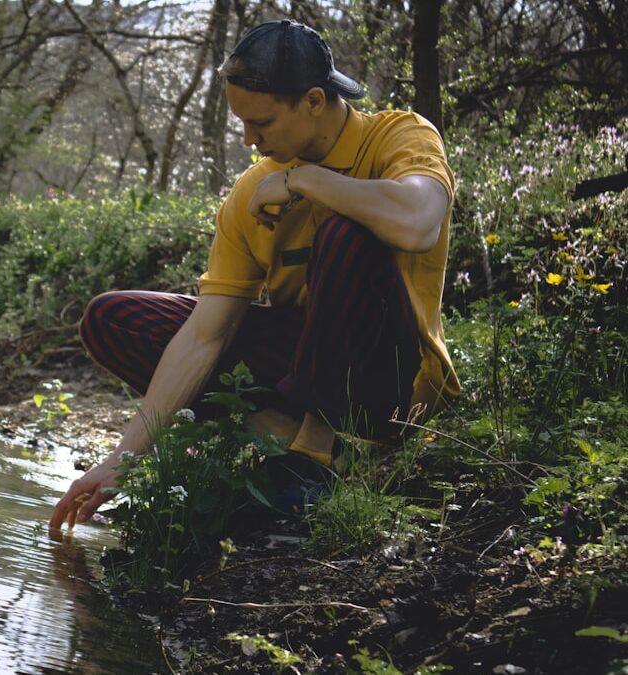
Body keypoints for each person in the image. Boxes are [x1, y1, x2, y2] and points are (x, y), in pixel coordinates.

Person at [49, 19, 459, 533]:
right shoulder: (253, 189)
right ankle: (277, 431)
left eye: (261, 123)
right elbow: (206, 335)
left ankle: (317, 455)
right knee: (114, 318)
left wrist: (307, 180)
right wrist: (121, 461)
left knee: (347, 232)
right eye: (241, 122)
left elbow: (418, 221)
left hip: (389, 379)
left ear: (313, 101)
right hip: (303, 358)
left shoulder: (400, 136)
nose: (248, 139)